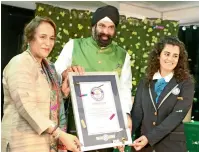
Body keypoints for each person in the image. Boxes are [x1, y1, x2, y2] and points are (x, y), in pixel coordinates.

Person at [55, 5, 132, 152]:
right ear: (93, 26)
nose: (106, 32)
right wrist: (66, 73)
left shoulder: (123, 55)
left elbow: (124, 89)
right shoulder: (74, 45)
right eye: (102, 26)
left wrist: (126, 114)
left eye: (111, 27)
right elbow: (56, 75)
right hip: (77, 123)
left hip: (107, 125)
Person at [1, 16, 81, 152]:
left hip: (46, 144)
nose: (48, 43)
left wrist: (63, 93)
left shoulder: (48, 67)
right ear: (30, 38)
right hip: (22, 144)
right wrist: (60, 134)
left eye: (52, 38)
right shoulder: (20, 63)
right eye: (42, 37)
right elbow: (26, 107)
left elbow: (48, 102)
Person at [130, 36, 195, 152]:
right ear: (158, 55)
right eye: (167, 54)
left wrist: (149, 138)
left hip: (171, 146)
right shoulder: (145, 81)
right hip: (143, 147)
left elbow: (176, 116)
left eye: (175, 56)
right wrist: (124, 137)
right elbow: (137, 114)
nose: (170, 59)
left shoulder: (186, 83)